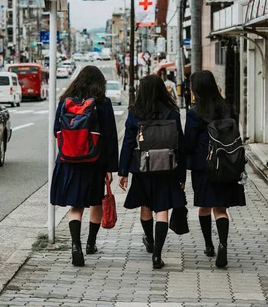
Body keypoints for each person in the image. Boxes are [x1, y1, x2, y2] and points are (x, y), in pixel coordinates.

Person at [50, 66, 119, 267]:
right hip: (95, 161)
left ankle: (75, 246)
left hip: (69, 161)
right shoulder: (102, 103)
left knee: (76, 206)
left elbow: (56, 130)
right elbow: (110, 136)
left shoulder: (65, 101)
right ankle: (90, 243)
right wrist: (110, 167)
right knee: (96, 202)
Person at [118, 75, 186, 269]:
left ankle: (149, 239)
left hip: (143, 168)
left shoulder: (135, 112)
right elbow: (180, 144)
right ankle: (157, 255)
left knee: (146, 207)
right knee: (162, 210)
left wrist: (123, 172)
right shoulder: (172, 112)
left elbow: (129, 144)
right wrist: (182, 175)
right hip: (167, 167)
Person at [184, 70, 245, 268]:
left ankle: (209, 245)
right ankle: (223, 244)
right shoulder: (227, 108)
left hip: (204, 166)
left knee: (204, 207)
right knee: (221, 208)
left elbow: (189, 143)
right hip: (228, 164)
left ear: (197, 89)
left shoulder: (194, 112)